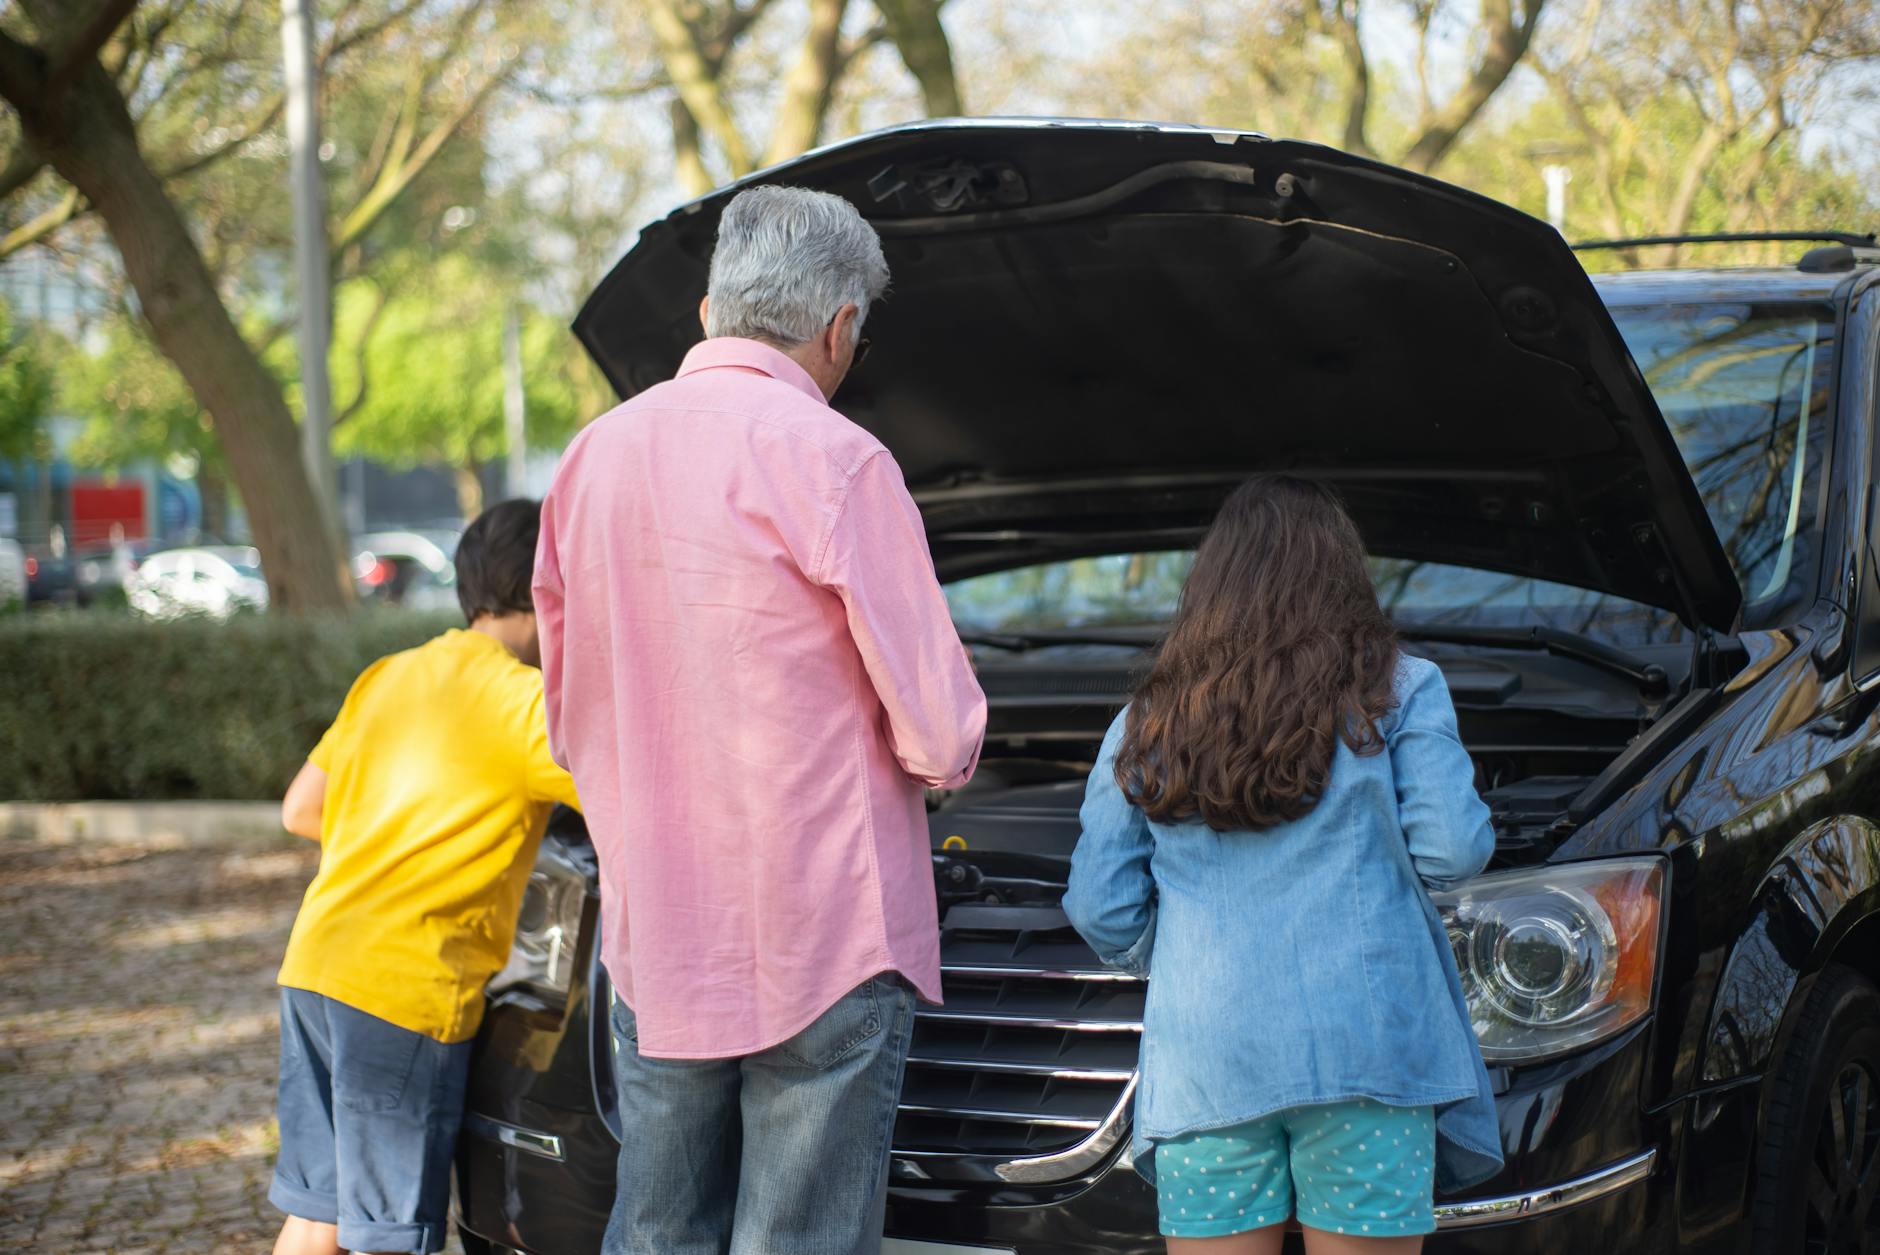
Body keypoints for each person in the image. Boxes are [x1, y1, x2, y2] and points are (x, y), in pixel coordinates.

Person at [535, 184, 987, 1255]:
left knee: (654, 1228)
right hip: (821, 932)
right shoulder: (836, 460)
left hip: (657, 923)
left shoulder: (590, 458)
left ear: (707, 312)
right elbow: (940, 735)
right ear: (840, 330)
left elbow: (563, 713)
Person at [1064, 476, 1504, 1255]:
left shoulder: (1148, 718)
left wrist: (1178, 957)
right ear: (1342, 577)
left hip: (1210, 1071)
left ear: (1209, 587)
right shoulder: (1400, 689)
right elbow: (1453, 849)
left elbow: (1102, 904)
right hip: (1366, 1057)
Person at [269, 500, 580, 1255]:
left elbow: (301, 807)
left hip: (315, 966)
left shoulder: (391, 673)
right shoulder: (528, 707)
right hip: (402, 991)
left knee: (320, 1210)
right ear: (551, 588)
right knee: (385, 1233)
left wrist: (394, 837)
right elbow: (641, 800)